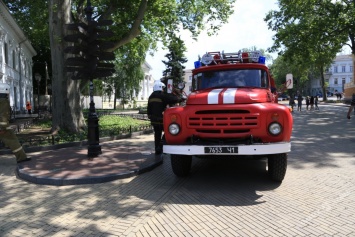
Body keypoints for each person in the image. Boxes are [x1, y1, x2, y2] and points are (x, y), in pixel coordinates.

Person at [147, 80, 184, 155]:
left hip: (154, 120)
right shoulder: (162, 95)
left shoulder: (151, 96)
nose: (163, 90)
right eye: (163, 88)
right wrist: (181, 98)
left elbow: (149, 109)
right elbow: (173, 99)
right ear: (160, 88)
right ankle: (160, 146)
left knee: (157, 134)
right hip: (161, 120)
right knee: (169, 131)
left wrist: (150, 116)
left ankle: (157, 151)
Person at [0, 83, 31, 163]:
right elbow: (3, 115)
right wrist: (3, 127)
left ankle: (22, 157)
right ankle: (21, 158)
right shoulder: (3, 101)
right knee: (13, 141)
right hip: (3, 128)